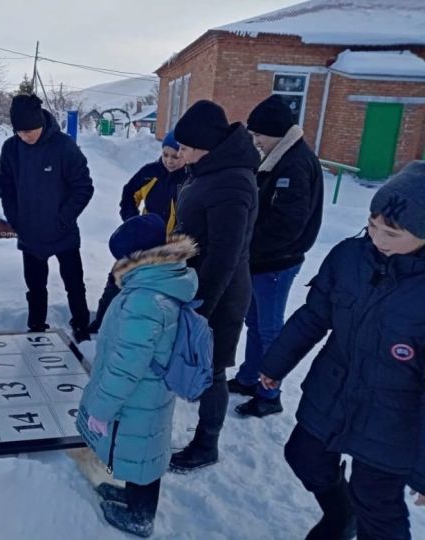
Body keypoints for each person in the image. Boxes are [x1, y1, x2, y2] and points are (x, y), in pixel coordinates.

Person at [259, 161, 425, 540]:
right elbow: (314, 315)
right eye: (372, 225)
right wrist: (276, 363)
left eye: (393, 233)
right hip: (333, 392)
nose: (378, 239)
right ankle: (340, 514)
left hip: (392, 419)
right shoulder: (349, 257)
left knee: (376, 502)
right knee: (304, 456)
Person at [76, 214, 198, 538]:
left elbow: (126, 366)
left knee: (141, 453)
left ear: (137, 257)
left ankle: (140, 517)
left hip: (138, 394)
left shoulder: (144, 299)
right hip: (148, 392)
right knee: (140, 450)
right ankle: (133, 499)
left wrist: (101, 409)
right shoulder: (157, 282)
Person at [168, 100, 260, 473]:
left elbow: (225, 253)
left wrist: (202, 306)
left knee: (213, 368)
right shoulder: (209, 169)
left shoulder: (233, 182)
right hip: (196, 285)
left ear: (205, 144)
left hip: (219, 293)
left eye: (186, 148)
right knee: (199, 364)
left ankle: (207, 444)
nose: (181, 154)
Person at [229, 95, 324, 418]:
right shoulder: (278, 159)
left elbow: (286, 225)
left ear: (277, 133)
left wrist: (248, 245)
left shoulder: (294, 164)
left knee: (269, 329)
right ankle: (249, 377)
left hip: (276, 263)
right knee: (254, 323)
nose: (255, 142)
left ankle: (269, 394)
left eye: (259, 136)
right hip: (261, 261)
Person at [0, 94, 94, 342]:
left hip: (63, 232)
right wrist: (15, 218)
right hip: (29, 232)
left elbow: (83, 186)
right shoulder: (11, 148)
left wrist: (64, 218)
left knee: (74, 284)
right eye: (19, 131)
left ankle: (81, 325)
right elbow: (6, 187)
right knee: (35, 286)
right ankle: (36, 325)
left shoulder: (64, 146)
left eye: (29, 130)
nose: (25, 136)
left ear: (41, 123)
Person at [88, 131, 189, 333]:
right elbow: (129, 194)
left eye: (175, 156)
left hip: (170, 249)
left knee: (156, 294)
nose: (169, 161)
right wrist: (133, 223)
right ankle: (100, 323)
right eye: (165, 155)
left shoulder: (189, 179)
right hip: (141, 243)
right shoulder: (150, 172)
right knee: (116, 281)